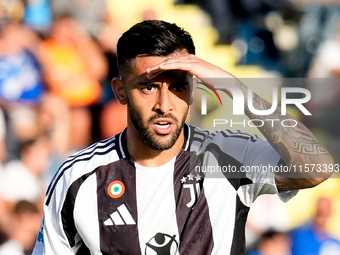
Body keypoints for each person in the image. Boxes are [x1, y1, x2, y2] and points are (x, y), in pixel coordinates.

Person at [31, 20, 334, 255]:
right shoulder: (77, 177)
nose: (164, 105)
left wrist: (235, 87)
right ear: (120, 91)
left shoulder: (229, 156)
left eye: (178, 87)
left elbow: (317, 168)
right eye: (148, 87)